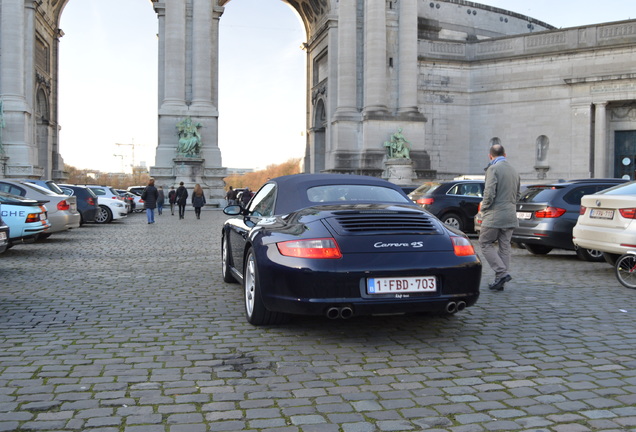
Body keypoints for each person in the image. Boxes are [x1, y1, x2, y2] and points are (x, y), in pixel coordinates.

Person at [478, 144, 520, 291]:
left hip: (494, 214)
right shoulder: (514, 171)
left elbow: (489, 193)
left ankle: (501, 273)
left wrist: (483, 208)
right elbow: (518, 194)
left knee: (484, 243)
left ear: (490, 156)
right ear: (505, 154)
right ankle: (500, 280)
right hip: (510, 214)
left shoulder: (493, 169)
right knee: (505, 246)